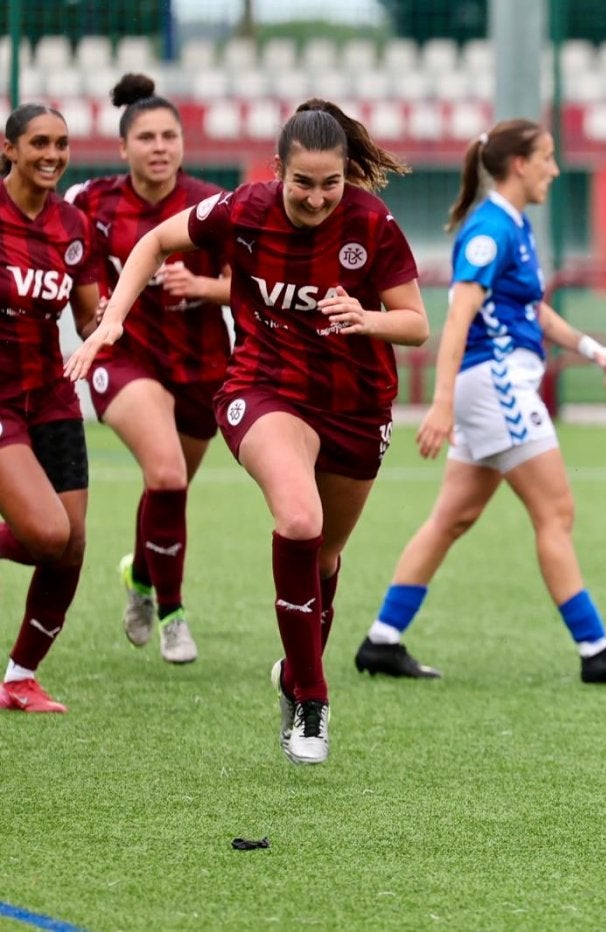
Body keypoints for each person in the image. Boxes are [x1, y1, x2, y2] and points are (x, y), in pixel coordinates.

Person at [67, 100, 429, 764]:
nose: (318, 198)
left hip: (356, 405)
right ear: (278, 171)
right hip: (265, 388)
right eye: (303, 183)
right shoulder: (242, 209)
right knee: (298, 521)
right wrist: (113, 319)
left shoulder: (372, 224)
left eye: (331, 183)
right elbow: (152, 242)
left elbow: (416, 323)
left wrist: (365, 317)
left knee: (323, 559)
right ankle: (313, 701)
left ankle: (293, 674)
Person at [354, 119, 606, 684]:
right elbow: (457, 318)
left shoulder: (513, 225)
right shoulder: (489, 230)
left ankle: (381, 640)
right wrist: (442, 403)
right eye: (547, 157)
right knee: (556, 512)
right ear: (520, 164)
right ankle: (596, 650)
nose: (555, 167)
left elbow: (530, 310)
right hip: (496, 385)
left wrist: (591, 347)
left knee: (452, 518)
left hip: (491, 387)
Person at [66, 73, 231, 664]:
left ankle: (137, 579)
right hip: (124, 356)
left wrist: (206, 286)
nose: (159, 146)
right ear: (123, 147)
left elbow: (253, 289)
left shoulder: (213, 205)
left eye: (170, 136)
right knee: (165, 475)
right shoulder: (91, 201)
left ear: (183, 145)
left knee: (168, 487)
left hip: (201, 365)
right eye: (147, 137)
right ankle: (173, 615)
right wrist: (93, 305)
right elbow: (48, 242)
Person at [0, 104, 102, 713]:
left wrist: (108, 327)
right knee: (45, 534)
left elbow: (90, 314)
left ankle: (18, 678)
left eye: (61, 144)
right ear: (8, 148)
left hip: (53, 397)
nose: (52, 155)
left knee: (72, 544)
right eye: (39, 142)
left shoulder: (73, 225)